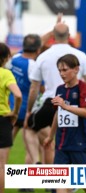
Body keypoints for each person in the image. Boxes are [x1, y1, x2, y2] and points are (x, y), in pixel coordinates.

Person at [24, 20, 86, 166]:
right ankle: (59, 183)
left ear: (53, 35)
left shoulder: (43, 56)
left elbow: (34, 88)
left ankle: (36, 162)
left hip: (51, 102)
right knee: (61, 145)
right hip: (75, 105)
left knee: (30, 129)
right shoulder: (80, 55)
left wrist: (29, 111)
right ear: (69, 35)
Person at [43, 54, 86, 193]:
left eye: (65, 70)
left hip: (79, 144)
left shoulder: (82, 87)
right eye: (60, 70)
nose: (62, 74)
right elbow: (58, 113)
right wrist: (50, 136)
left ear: (76, 69)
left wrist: (65, 106)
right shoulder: (59, 89)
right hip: (61, 145)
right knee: (59, 185)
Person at [8, 34, 42, 192]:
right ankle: (28, 183)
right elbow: (39, 88)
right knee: (34, 147)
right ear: (38, 49)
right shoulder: (34, 65)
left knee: (5, 147)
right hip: (28, 111)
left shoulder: (14, 59)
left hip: (11, 110)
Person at [0, 42, 22, 193]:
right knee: (1, 164)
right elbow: (18, 95)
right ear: (6, 57)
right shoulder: (6, 74)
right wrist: (15, 112)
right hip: (3, 119)